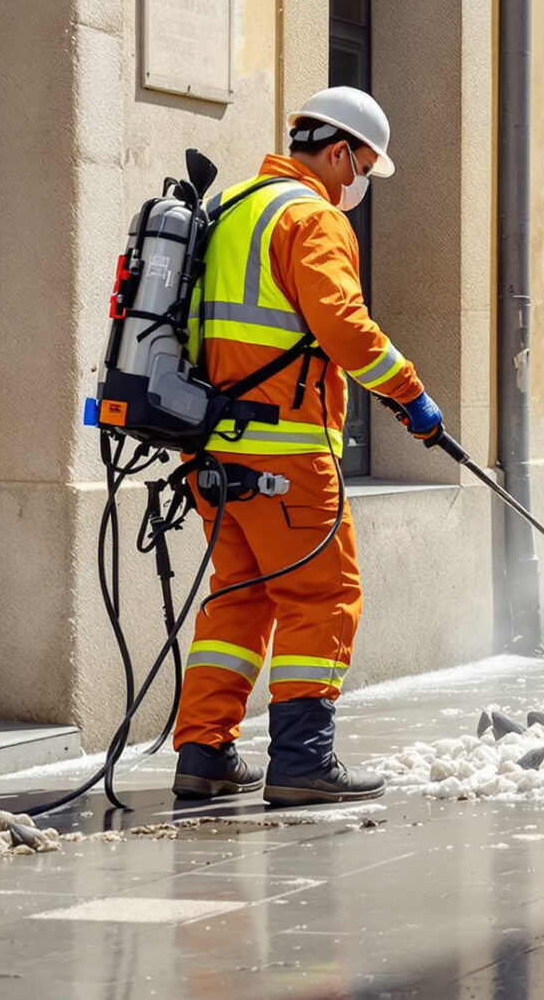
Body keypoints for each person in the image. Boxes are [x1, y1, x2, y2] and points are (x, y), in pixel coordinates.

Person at [170, 86, 445, 806]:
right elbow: (345, 328)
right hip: (286, 454)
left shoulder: (232, 208)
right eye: (364, 165)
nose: (361, 182)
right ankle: (302, 759)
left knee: (240, 593)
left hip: (209, 449)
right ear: (338, 151)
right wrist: (410, 396)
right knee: (323, 593)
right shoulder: (309, 217)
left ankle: (204, 749)